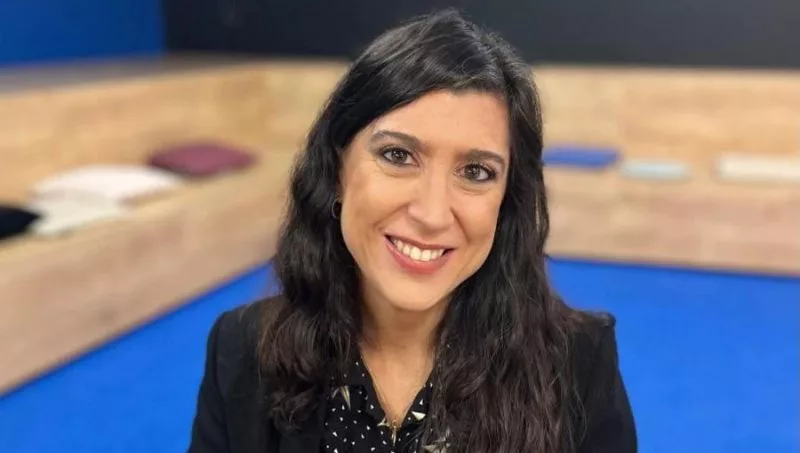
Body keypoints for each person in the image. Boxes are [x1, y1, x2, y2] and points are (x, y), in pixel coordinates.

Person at [188, 9, 636, 453]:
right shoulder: (241, 351)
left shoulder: (580, 366)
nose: (432, 214)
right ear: (337, 170)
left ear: (506, 202)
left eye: (476, 172)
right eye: (398, 156)